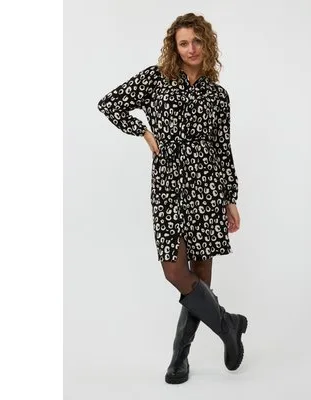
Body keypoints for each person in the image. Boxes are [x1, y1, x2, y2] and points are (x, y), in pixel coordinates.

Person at [97, 12, 248, 384]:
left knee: (201, 276)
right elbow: (109, 103)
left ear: (206, 44)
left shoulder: (218, 95)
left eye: (197, 41)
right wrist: (144, 132)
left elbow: (223, 148)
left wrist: (229, 198)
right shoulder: (156, 78)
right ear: (174, 47)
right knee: (174, 271)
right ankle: (228, 325)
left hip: (207, 187)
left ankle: (180, 358)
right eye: (184, 43)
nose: (191, 49)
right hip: (168, 186)